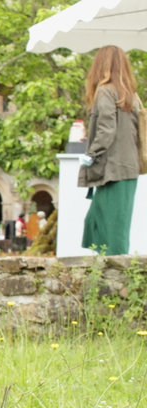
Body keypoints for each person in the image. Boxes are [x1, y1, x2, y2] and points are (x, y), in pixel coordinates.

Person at [78, 45, 142, 256]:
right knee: (103, 224)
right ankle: (109, 275)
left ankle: (115, 281)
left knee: (111, 232)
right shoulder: (130, 95)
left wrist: (90, 154)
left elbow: (106, 130)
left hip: (113, 170)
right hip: (126, 169)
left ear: (100, 65)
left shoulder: (106, 91)